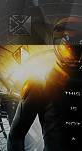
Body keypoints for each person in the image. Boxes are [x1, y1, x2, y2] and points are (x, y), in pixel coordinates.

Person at [7, 16, 82, 151]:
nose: (73, 52)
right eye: (68, 47)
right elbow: (16, 136)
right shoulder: (39, 84)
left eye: (78, 47)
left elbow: (16, 137)